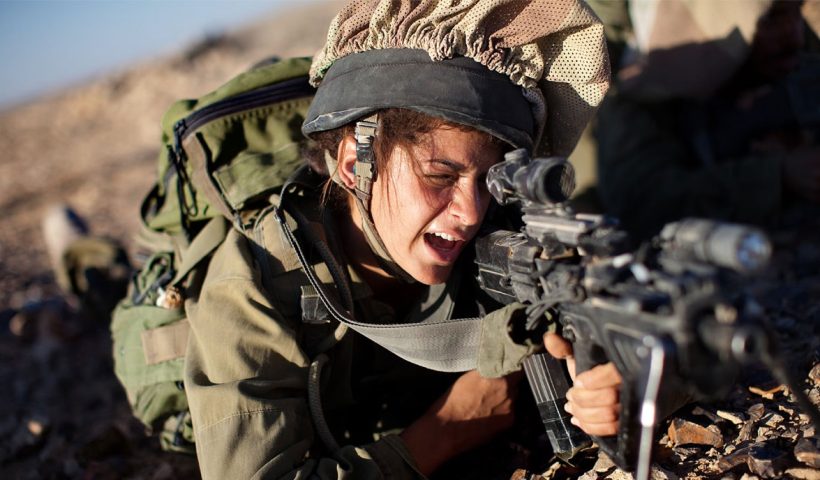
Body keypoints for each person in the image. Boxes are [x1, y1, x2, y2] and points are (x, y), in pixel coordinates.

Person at [182, 1, 620, 478]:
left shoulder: (507, 240)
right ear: (354, 164)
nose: (471, 212)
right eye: (439, 175)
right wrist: (443, 431)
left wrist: (618, 382)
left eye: (488, 181)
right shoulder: (252, 285)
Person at [596, 0, 820, 240]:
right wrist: (778, 175)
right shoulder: (644, 96)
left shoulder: (797, 68)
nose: (794, 36)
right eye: (771, 20)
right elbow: (642, 205)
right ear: (718, 24)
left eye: (797, 13)